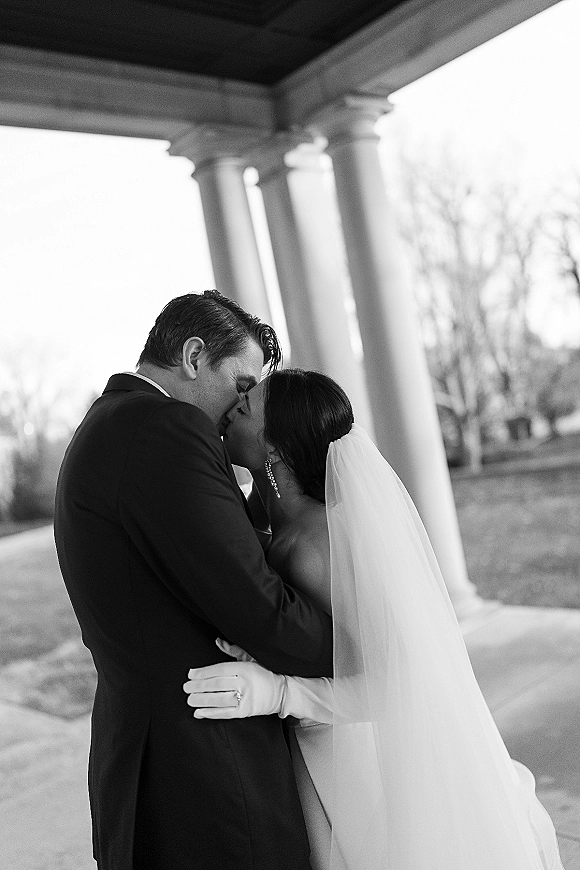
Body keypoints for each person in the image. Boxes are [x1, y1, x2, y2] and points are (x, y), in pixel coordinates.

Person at [184, 368, 565, 870]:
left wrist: (279, 690)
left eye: (247, 405)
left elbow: (394, 685)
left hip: (357, 757)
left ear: (274, 447)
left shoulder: (317, 544)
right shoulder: (282, 524)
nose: (234, 407)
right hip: (318, 747)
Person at [54, 293, 334, 870]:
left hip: (149, 758)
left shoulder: (107, 425)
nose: (244, 403)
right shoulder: (165, 431)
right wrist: (361, 644)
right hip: (206, 778)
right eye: (241, 382)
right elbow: (261, 611)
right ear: (194, 354)